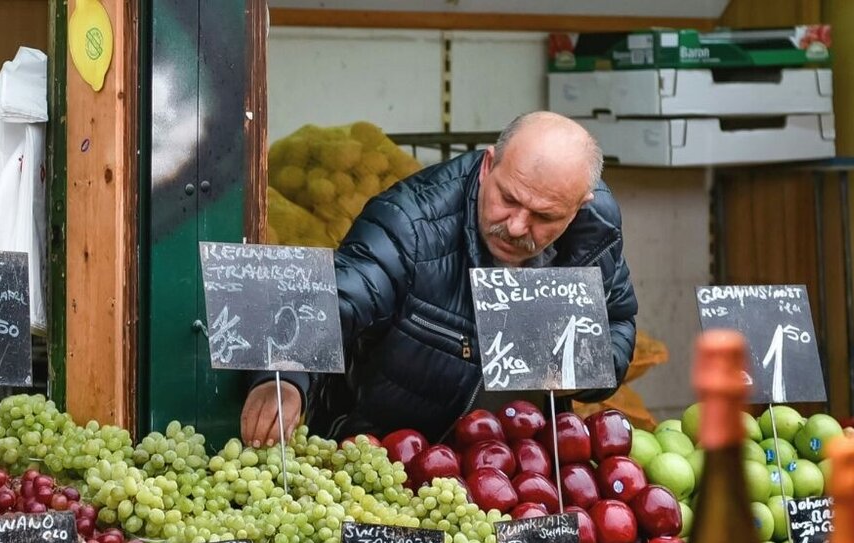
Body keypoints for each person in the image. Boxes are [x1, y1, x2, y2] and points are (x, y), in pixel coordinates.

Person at [240, 111, 639, 446]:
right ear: (488, 166)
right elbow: (337, 297)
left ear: (578, 207)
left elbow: (617, 321)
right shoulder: (411, 221)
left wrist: (582, 373)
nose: (517, 226)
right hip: (404, 457)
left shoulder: (596, 226)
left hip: (521, 467)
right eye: (509, 199)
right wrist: (285, 376)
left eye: (545, 216)